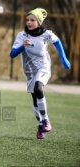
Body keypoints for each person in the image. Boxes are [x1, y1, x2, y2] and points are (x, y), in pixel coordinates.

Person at [9, 8, 71, 139]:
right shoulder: (22, 36)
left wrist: (63, 59)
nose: (29, 22)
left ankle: (46, 121)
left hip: (43, 67)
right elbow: (12, 54)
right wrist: (22, 46)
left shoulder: (46, 34)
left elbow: (57, 41)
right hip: (29, 72)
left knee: (38, 88)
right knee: (34, 100)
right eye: (27, 20)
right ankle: (41, 125)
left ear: (39, 22)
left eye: (32, 20)